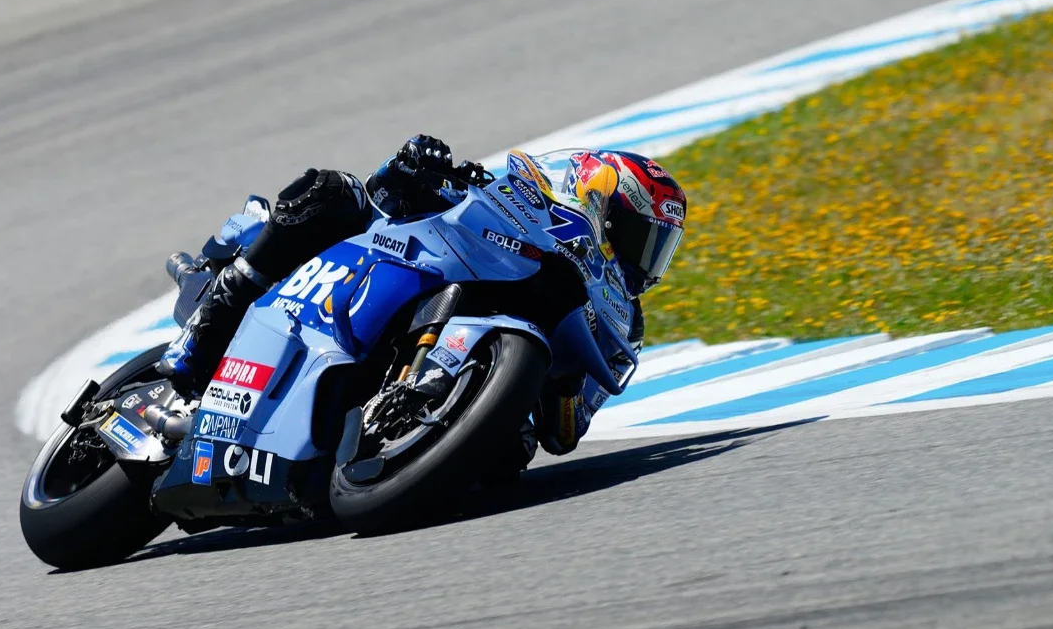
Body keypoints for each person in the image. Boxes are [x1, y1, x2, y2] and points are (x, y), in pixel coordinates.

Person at [159, 135, 686, 459]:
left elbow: (565, 436)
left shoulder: (624, 322)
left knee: (508, 462)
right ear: (598, 202)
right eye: (640, 238)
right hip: (400, 267)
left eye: (657, 250)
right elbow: (388, 194)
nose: (644, 261)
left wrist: (568, 378)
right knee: (330, 191)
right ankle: (204, 331)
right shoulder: (522, 200)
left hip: (465, 432)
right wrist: (414, 166)